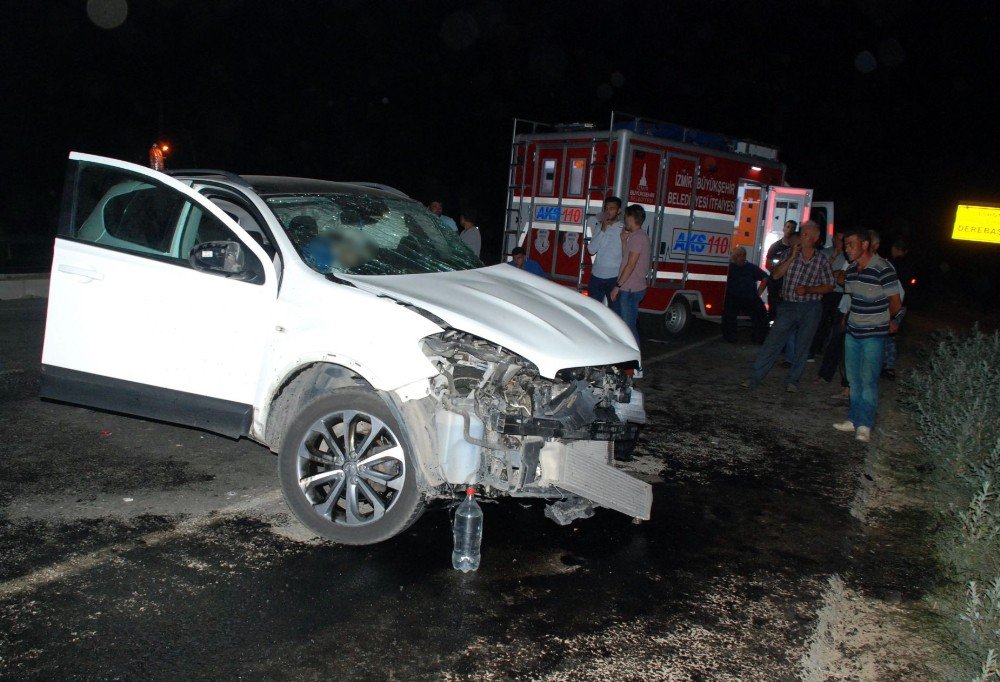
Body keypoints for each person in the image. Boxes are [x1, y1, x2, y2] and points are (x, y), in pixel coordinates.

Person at [743, 220, 834, 392]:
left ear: (815, 238)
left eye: (806, 234)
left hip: (811, 307)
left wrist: (809, 289)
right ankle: (754, 377)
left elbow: (829, 285)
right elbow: (775, 275)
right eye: (802, 233)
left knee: (803, 345)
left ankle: (793, 381)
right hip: (788, 306)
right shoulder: (789, 254)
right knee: (772, 342)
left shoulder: (822, 260)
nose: (802, 236)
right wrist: (792, 257)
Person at [833, 227, 903, 442]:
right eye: (845, 245)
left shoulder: (883, 268)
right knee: (853, 379)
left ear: (864, 244)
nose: (847, 249)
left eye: (850, 244)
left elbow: (896, 303)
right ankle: (853, 419)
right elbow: (854, 299)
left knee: (868, 380)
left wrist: (884, 321)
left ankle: (865, 425)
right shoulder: (852, 270)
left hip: (874, 334)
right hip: (853, 332)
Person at [609, 204, 650, 347]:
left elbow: (630, 265)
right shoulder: (635, 237)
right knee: (625, 326)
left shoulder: (638, 237)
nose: (625, 219)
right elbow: (626, 257)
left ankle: (635, 364)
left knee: (629, 328)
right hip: (630, 287)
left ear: (631, 217)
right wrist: (623, 240)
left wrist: (617, 286)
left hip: (630, 288)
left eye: (626, 216)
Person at [722, 246, 769, 344]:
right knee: (729, 312)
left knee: (761, 313)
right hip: (733, 297)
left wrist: (759, 292)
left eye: (743, 255)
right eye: (739, 255)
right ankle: (730, 336)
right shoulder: (730, 268)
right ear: (734, 257)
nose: (741, 257)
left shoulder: (750, 267)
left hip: (749, 297)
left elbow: (765, 277)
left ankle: (759, 338)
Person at [586, 196, 624, 305]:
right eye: (606, 208)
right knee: (592, 309)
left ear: (619, 211)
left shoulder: (623, 229)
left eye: (612, 208)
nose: (608, 211)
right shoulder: (599, 226)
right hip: (596, 276)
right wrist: (603, 228)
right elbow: (592, 250)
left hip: (613, 277)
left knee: (614, 312)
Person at [882, 237, 911, 379]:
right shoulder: (909, 265)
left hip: (894, 303)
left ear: (896, 249)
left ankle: (888, 367)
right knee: (890, 336)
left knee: (888, 334)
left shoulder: (892, 264)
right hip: (903, 304)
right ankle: (888, 365)